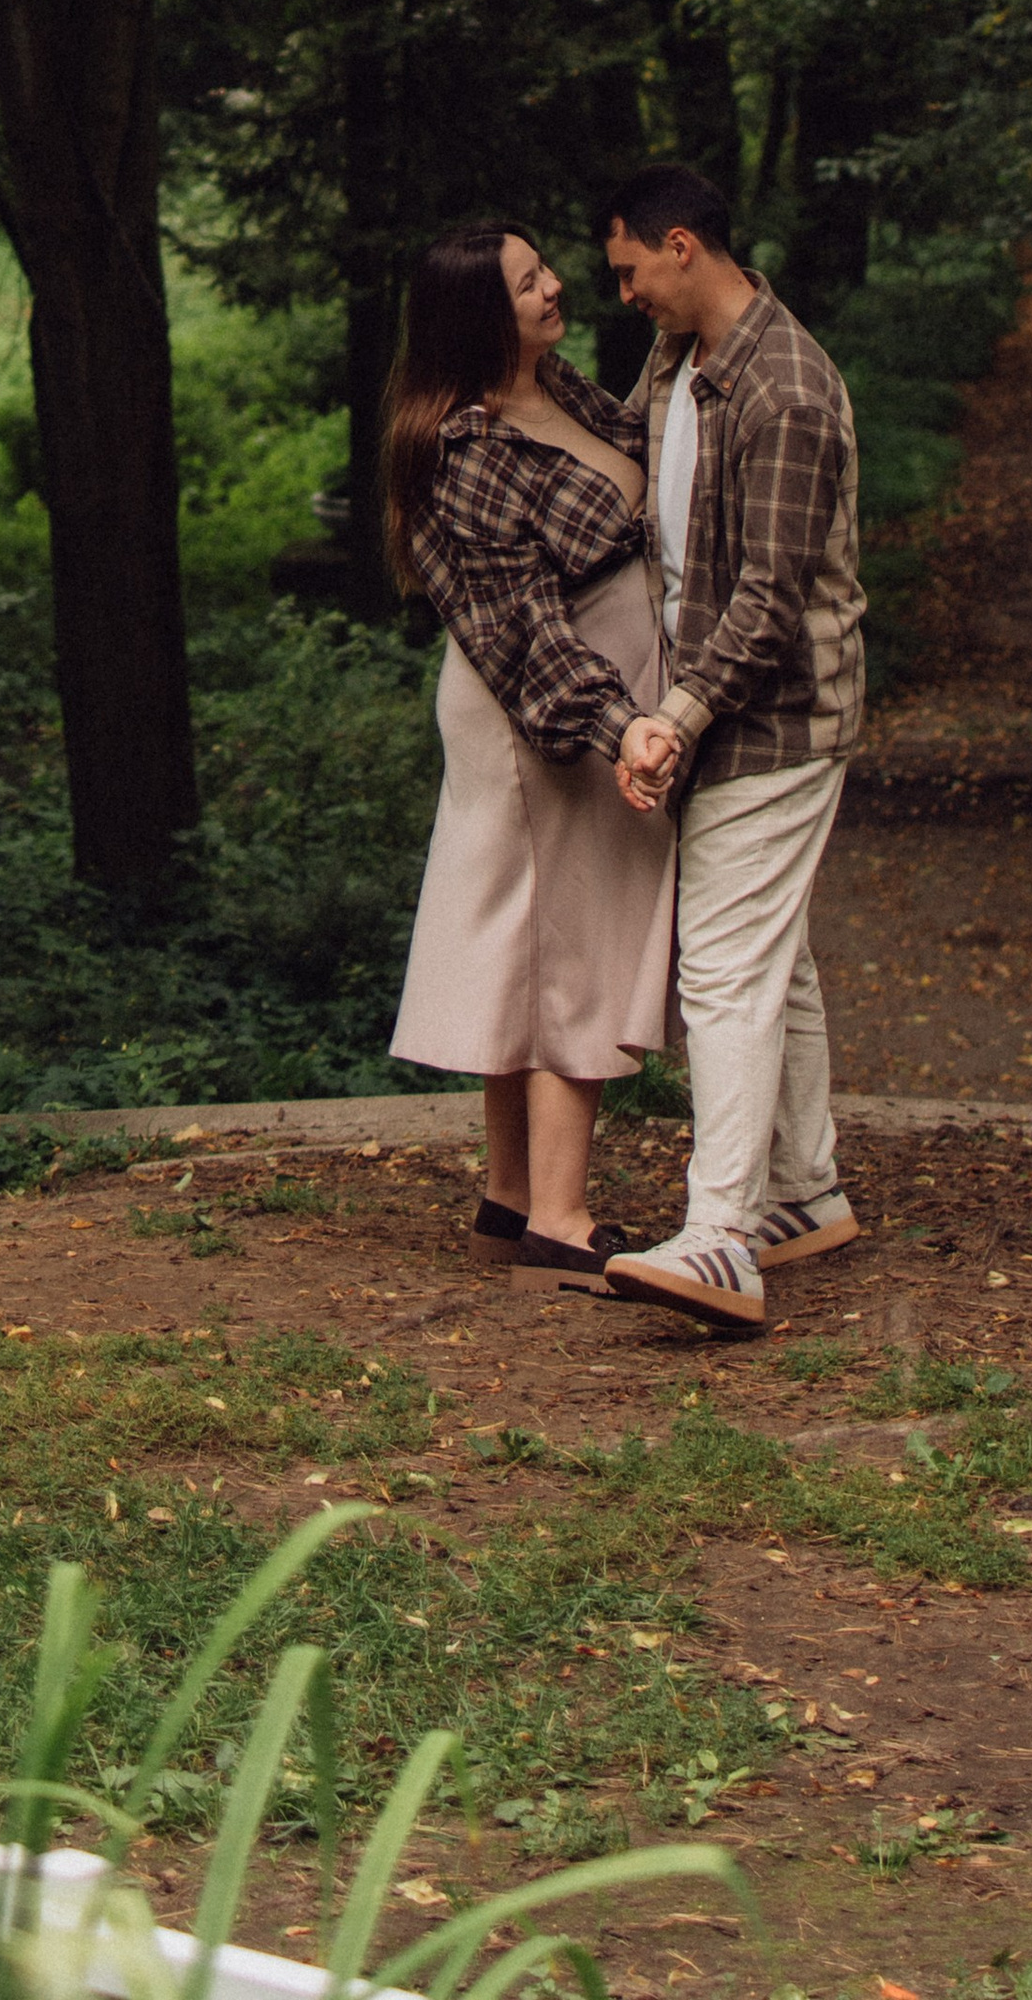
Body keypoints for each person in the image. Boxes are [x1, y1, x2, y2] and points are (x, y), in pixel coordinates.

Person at [595, 165, 867, 1332]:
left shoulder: (787, 387)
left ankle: (720, 1240)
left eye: (626, 271)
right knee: (774, 958)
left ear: (681, 243)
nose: (621, 295)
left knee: (722, 969)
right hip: (717, 703)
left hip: (780, 715)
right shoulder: (678, 360)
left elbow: (769, 596)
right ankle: (802, 1193)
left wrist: (676, 716)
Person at [384, 218, 675, 1288]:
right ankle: (561, 1213)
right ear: (477, 316)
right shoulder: (469, 446)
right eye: (525, 283)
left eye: (543, 266)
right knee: (568, 939)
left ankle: (511, 1196)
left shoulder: (561, 390)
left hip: (582, 690)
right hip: (539, 711)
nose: (554, 286)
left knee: (532, 939)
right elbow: (525, 632)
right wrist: (616, 729)